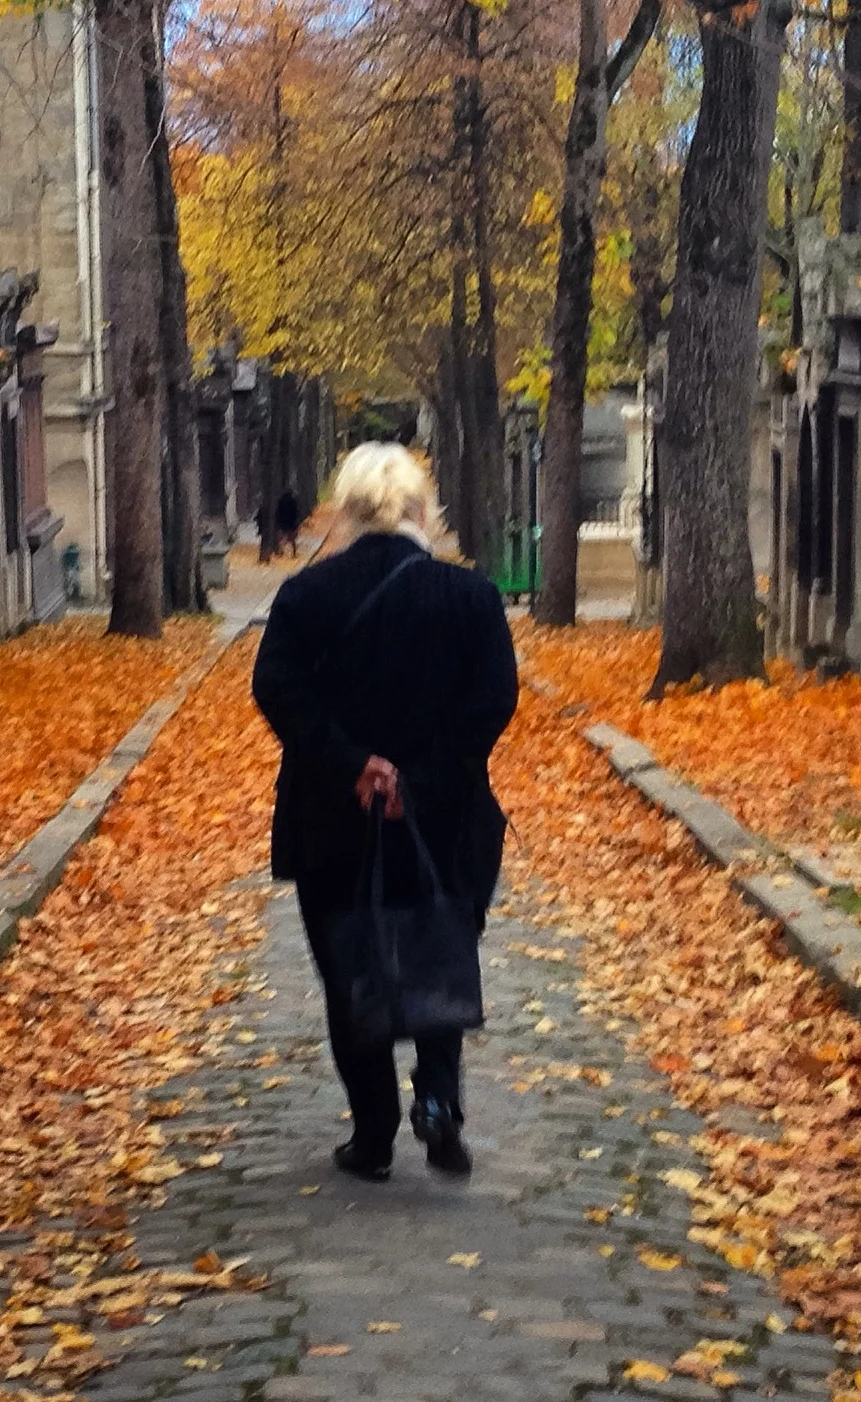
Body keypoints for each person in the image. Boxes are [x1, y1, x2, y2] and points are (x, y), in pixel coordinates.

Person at [251, 443, 518, 1180]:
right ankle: (438, 1103)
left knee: (348, 968)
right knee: (439, 951)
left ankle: (372, 1135)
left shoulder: (307, 597)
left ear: (348, 511)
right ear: (419, 510)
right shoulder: (471, 598)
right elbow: (493, 700)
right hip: (445, 820)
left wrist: (352, 765)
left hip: (335, 821)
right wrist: (423, 781)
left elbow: (275, 686)